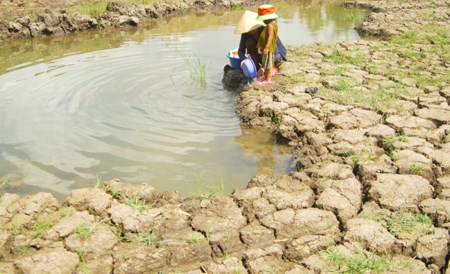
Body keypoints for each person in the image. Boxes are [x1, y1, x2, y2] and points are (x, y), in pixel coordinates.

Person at [256, 4, 279, 85]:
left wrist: (266, 48)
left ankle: (267, 79)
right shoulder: (273, 24)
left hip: (268, 49)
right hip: (270, 48)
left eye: (263, 19)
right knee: (266, 64)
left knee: (267, 64)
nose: (262, 21)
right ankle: (266, 77)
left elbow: (270, 37)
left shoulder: (270, 25)